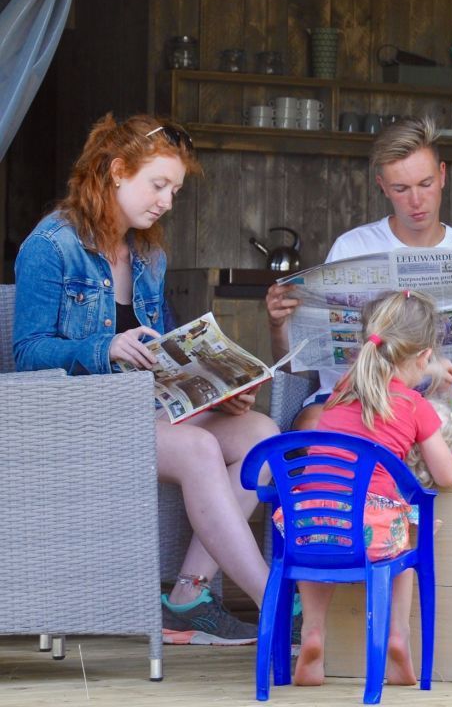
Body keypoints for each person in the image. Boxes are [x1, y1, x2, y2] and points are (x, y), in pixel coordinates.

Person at [13, 113, 277, 645]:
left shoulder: (148, 255)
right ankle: (274, 601)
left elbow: (166, 353)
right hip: (78, 419)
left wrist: (215, 388)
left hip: (143, 414)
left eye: (174, 190)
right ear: (115, 171)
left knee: (262, 438)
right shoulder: (50, 247)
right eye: (158, 185)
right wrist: (103, 346)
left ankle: (188, 597)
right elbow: (25, 354)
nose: (167, 201)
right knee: (200, 448)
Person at [265, 115, 452, 430]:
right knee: (311, 426)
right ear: (382, 187)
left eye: (425, 184)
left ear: (442, 175)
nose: (416, 200)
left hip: (429, 392)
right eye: (401, 188)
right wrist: (277, 325)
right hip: (353, 395)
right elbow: (296, 370)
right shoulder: (352, 246)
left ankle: (445, 481)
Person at [281, 289, 452, 687]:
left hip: (305, 520)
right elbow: (446, 476)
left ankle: (313, 632)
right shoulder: (416, 407)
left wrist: (426, 369)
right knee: (407, 535)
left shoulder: (344, 388)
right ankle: (398, 637)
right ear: (423, 356)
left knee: (320, 545)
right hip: (369, 525)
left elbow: (390, 373)